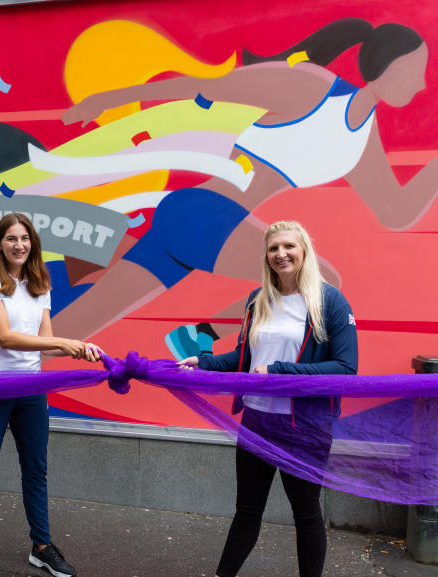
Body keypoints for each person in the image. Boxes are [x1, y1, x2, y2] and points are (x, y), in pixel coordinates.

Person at [56, 19, 437, 354]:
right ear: (389, 65)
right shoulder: (313, 87)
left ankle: (5, 379)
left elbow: (396, 211)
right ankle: (198, 336)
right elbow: (209, 87)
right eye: (414, 70)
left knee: (65, 334)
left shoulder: (363, 136)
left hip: (202, 226)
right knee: (320, 279)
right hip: (206, 214)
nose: (421, 83)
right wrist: (109, 99)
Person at [174, 221, 358, 577]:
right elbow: (245, 357)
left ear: (304, 249)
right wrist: (203, 362)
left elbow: (346, 368)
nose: (281, 254)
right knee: (247, 509)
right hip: (257, 420)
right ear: (266, 255)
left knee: (306, 513)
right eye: (274, 247)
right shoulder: (260, 299)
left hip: (305, 426)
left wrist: (279, 372)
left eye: (289, 245)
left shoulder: (329, 301)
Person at [0, 213, 100, 577]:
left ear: (32, 243)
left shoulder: (40, 283)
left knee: (36, 470)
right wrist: (63, 343)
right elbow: (6, 338)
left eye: (24, 238)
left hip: (31, 390)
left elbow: (46, 344)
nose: (19, 245)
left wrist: (78, 350)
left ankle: (41, 547)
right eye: (11, 239)